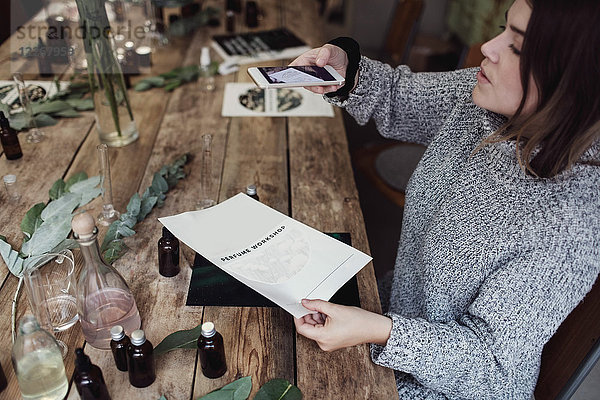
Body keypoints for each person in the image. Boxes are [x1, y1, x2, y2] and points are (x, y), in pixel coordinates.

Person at [290, 0, 600, 398]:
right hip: (386, 316)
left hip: (440, 385)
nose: (489, 46)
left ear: (574, 81)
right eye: (505, 29)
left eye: (517, 48)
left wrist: (381, 331)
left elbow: (493, 368)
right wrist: (343, 71)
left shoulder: (573, 220)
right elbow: (399, 96)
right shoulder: (489, 98)